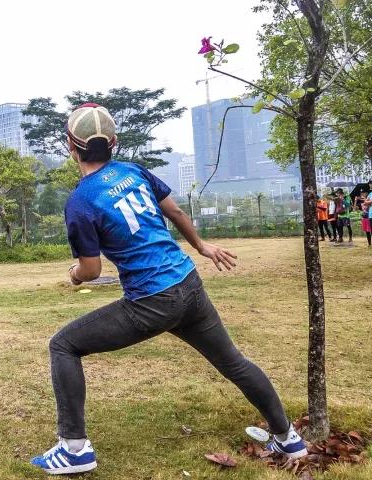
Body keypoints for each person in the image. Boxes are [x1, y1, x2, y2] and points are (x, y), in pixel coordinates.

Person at [30, 104, 307, 475]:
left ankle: (74, 448)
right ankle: (288, 437)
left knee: (64, 345)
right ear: (113, 142)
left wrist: (75, 275)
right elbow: (175, 213)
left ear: (70, 146)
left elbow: (92, 270)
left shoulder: (81, 201)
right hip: (188, 284)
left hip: (151, 301)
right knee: (233, 363)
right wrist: (201, 246)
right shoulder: (133, 171)